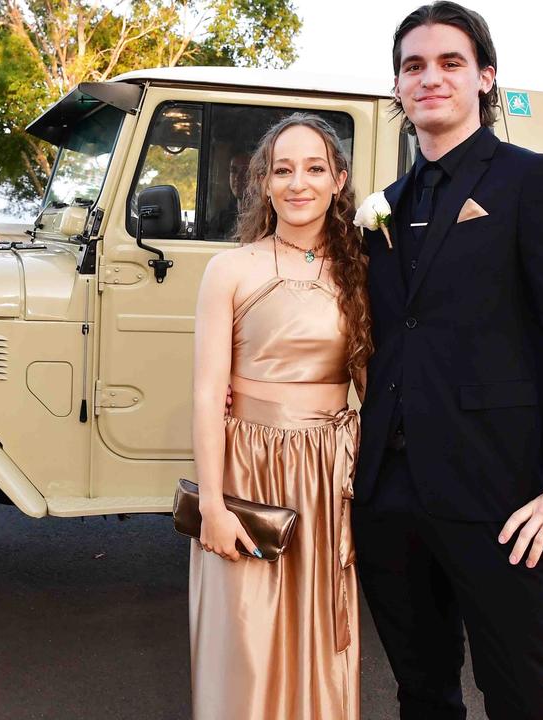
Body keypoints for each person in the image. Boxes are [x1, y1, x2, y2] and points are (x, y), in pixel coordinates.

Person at [352, 3, 543, 719]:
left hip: (497, 493)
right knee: (421, 690)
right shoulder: (383, 207)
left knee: (521, 694)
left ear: (485, 79)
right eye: (414, 66)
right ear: (398, 88)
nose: (430, 77)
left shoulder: (532, 181)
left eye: (450, 63)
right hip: (387, 494)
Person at [188, 114, 372, 720]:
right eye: (283, 169)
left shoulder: (362, 273)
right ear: (262, 182)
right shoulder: (231, 269)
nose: (299, 183)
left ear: (339, 180)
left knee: (318, 629)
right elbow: (209, 390)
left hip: (328, 475)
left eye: (315, 168)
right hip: (249, 467)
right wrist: (213, 505)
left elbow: (377, 386)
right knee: (245, 634)